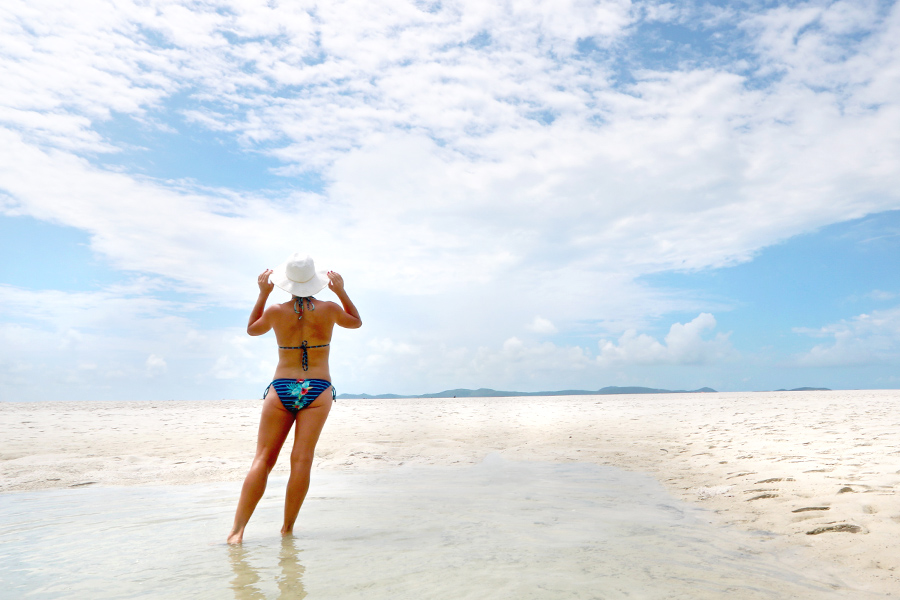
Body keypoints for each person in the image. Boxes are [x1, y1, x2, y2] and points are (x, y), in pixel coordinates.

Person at [227, 253, 362, 544]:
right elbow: (356, 322)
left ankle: (237, 533)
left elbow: (252, 330)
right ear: (316, 281)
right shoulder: (330, 309)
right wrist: (341, 291)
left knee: (263, 458)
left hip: (282, 387)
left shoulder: (275, 311)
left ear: (286, 284)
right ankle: (287, 530)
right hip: (317, 388)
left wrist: (263, 294)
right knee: (301, 460)